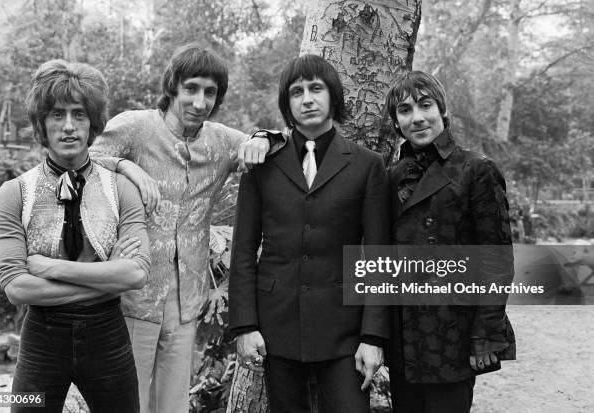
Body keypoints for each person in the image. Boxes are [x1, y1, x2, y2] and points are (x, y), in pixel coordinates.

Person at [89, 43, 284, 413]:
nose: (200, 101)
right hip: (133, 290)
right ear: (173, 87)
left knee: (174, 402)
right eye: (192, 88)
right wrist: (126, 167)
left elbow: (275, 144)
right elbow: (83, 163)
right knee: (126, 399)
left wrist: (262, 138)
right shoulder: (135, 127)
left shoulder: (221, 140)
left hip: (187, 297)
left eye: (210, 92)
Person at [229, 54, 390, 413]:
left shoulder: (367, 165)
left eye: (316, 89)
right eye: (296, 92)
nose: (307, 99)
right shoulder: (262, 164)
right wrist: (244, 326)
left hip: (344, 332)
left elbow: (379, 256)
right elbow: (242, 249)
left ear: (333, 96)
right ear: (288, 104)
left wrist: (373, 336)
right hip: (275, 328)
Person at [0, 60, 150, 412]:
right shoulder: (13, 194)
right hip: (40, 340)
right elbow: (17, 288)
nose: (68, 127)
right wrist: (108, 277)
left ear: (93, 123)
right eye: (57, 114)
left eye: (79, 114)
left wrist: (48, 267)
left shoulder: (122, 189)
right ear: (40, 123)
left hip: (108, 336)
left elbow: (137, 274)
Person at [384, 70, 516, 413]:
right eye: (405, 110)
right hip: (404, 334)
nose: (417, 118)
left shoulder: (476, 169)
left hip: (453, 332)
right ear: (396, 122)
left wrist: (486, 332)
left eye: (425, 105)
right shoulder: (392, 176)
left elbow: (496, 258)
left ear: (442, 110)